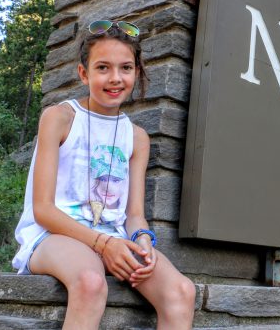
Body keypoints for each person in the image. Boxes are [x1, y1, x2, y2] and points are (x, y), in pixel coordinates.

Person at [12, 20, 196, 329]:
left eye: (125, 68)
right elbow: (42, 209)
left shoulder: (136, 137)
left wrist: (142, 240)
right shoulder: (60, 118)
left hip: (114, 238)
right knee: (90, 280)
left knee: (181, 291)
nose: (115, 78)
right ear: (84, 74)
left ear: (136, 73)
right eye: (102, 68)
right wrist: (103, 245)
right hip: (52, 236)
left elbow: (134, 215)